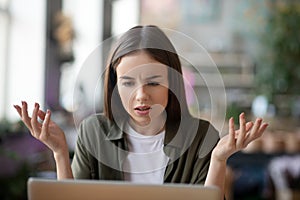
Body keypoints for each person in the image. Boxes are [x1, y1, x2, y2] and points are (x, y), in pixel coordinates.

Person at [13, 25, 268, 198]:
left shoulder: (201, 136)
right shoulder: (93, 132)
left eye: (154, 82)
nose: (141, 95)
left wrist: (219, 160)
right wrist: (59, 153)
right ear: (114, 85)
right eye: (127, 82)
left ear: (173, 83)